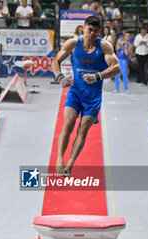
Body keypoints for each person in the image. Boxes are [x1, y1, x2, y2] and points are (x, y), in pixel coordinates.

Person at [51, 15, 120, 176]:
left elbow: (116, 68)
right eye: (90, 30)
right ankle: (60, 158)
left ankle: (70, 163)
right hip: (76, 92)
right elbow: (55, 61)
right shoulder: (73, 44)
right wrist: (60, 77)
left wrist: (97, 76)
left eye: (96, 31)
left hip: (93, 97)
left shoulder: (104, 46)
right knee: (68, 123)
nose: (93, 34)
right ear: (83, 28)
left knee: (83, 130)